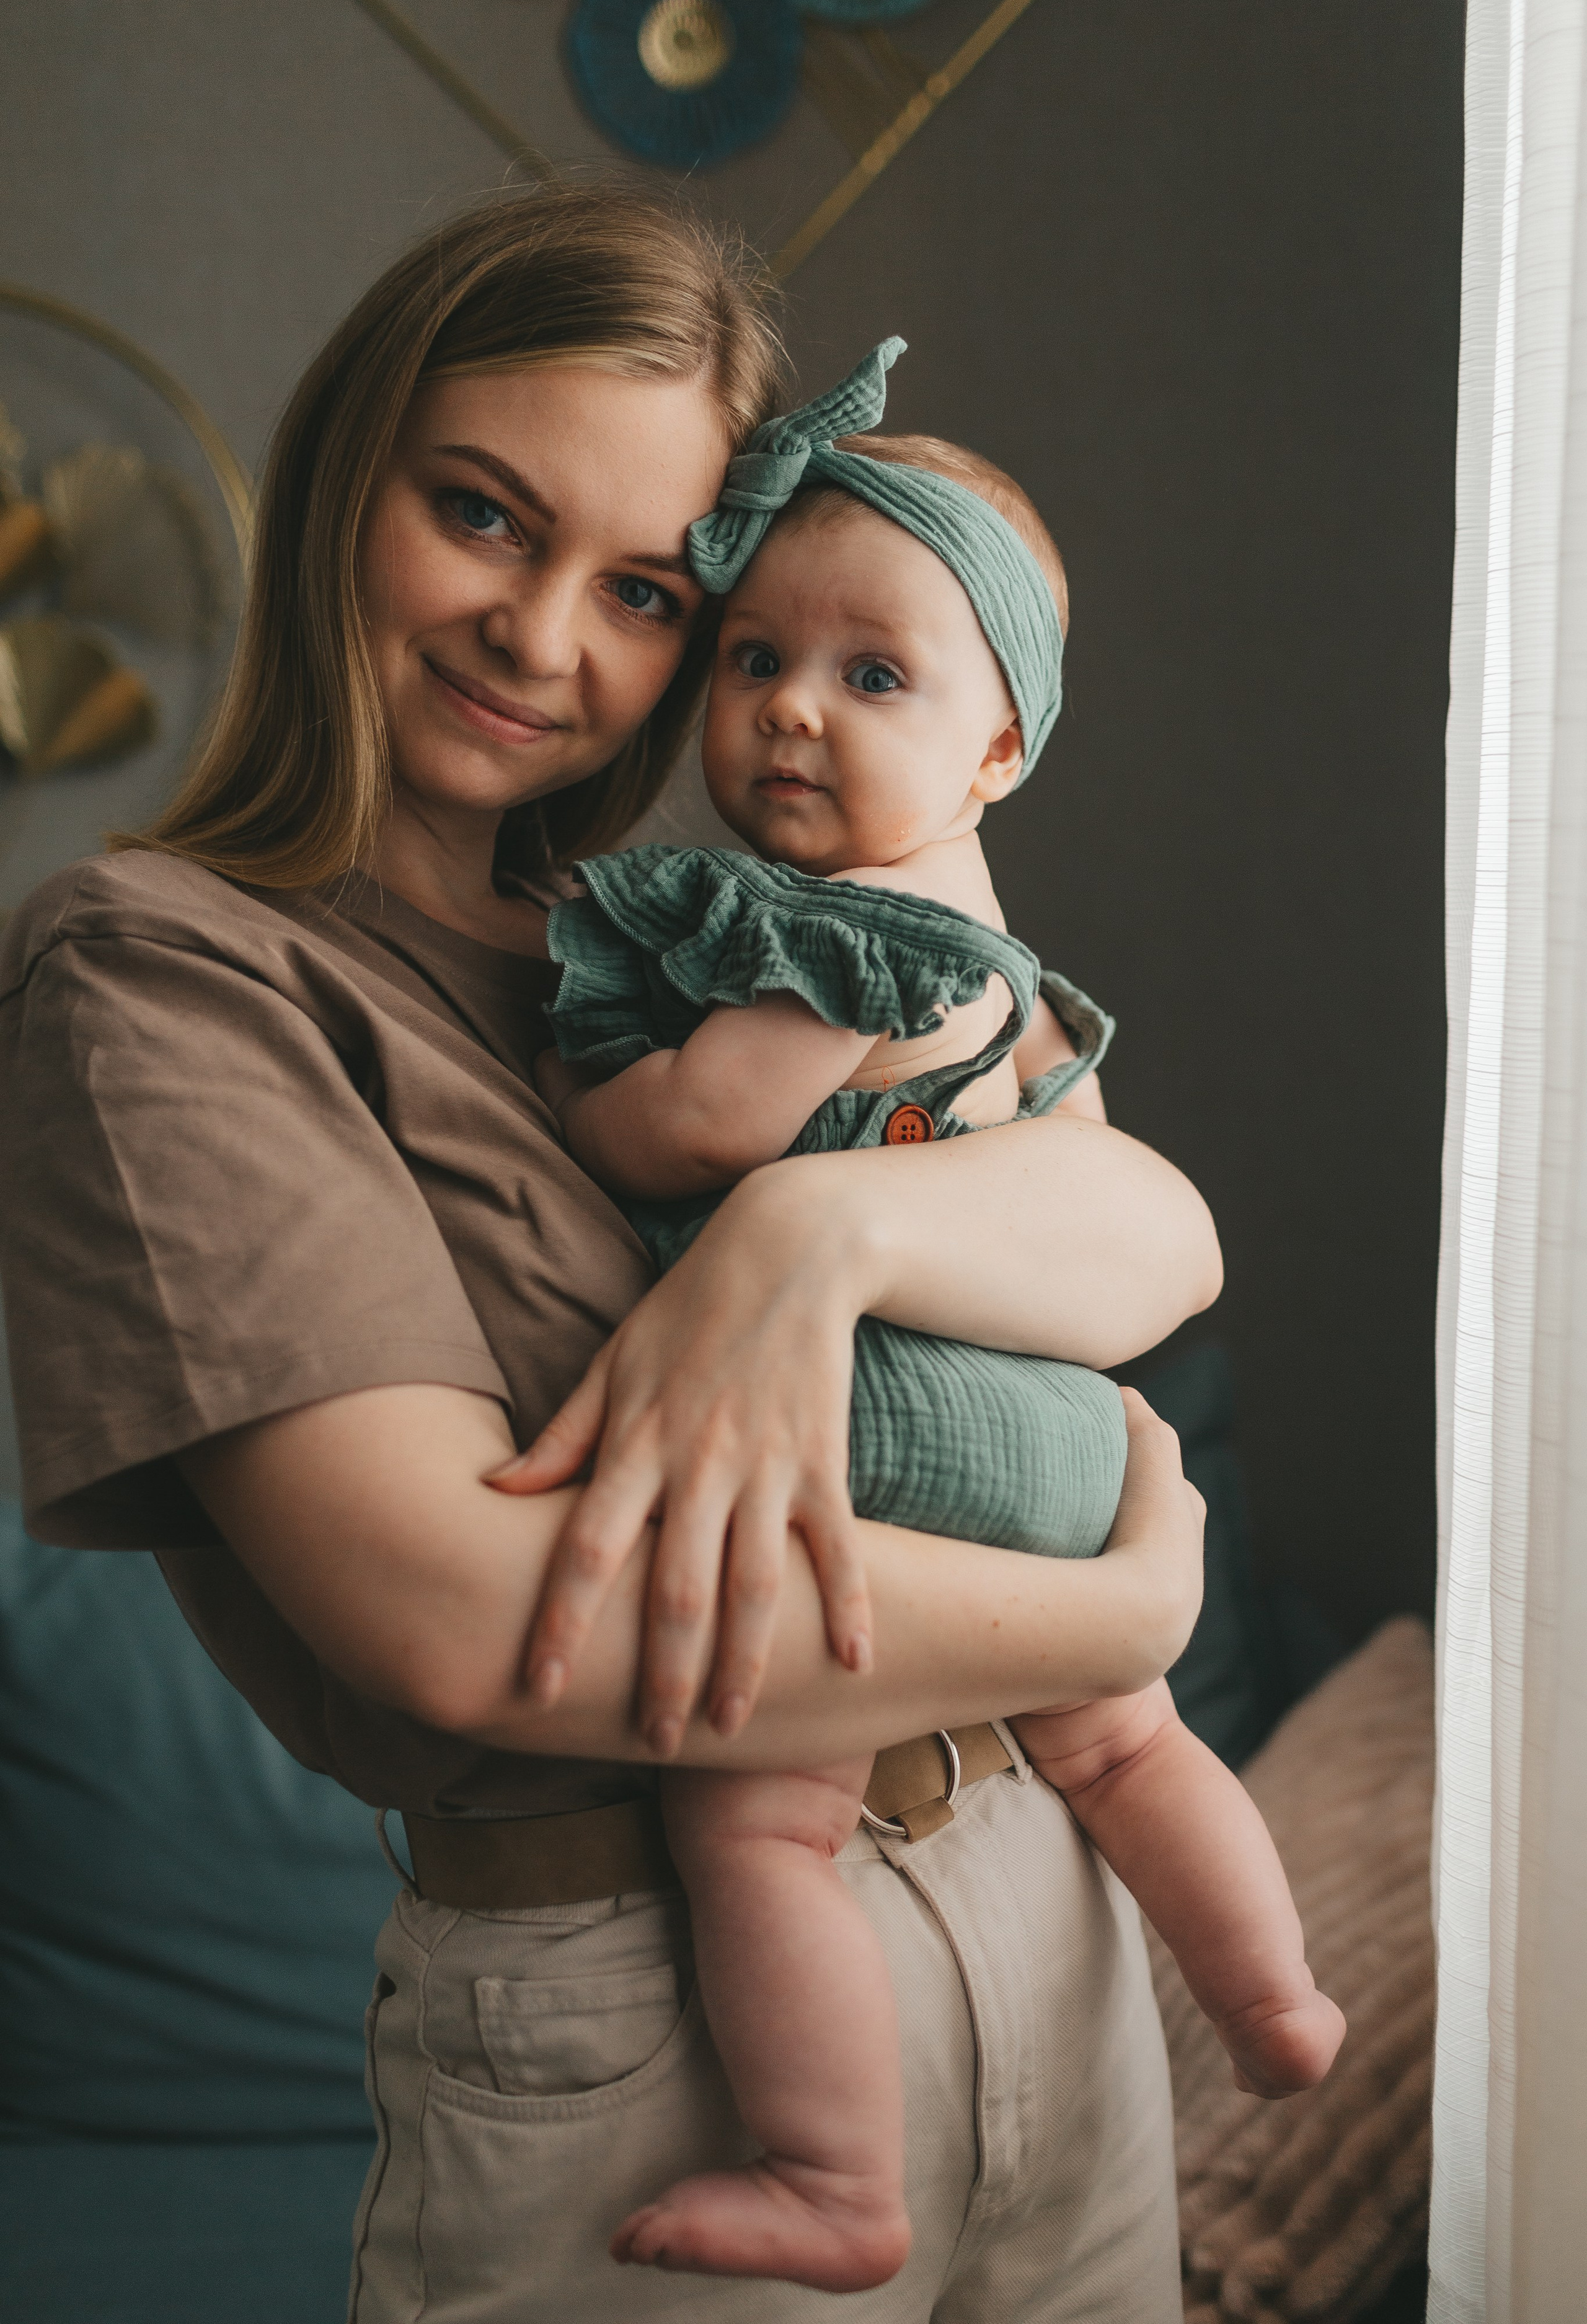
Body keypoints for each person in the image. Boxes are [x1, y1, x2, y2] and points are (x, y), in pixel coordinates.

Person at [0, 188, 1220, 2324]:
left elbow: (1155, 1239)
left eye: (651, 588)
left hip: (1046, 1909)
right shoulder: (168, 975)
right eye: (481, 514)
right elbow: (472, 1631)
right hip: (647, 2016)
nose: (547, 637)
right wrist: (1116, 1604)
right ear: (337, 486)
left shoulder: (665, 951)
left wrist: (818, 1230)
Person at [531, 342, 1345, 2291]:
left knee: (759, 1829)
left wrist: (587, 1101)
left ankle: (833, 2171)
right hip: (1065, 1442)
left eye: (874, 676)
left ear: (997, 754)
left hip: (885, 1430)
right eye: (756, 660)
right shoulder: (1024, 978)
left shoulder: (835, 935)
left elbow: (703, 1124)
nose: (794, 712)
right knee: (1136, 1752)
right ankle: (1281, 2004)